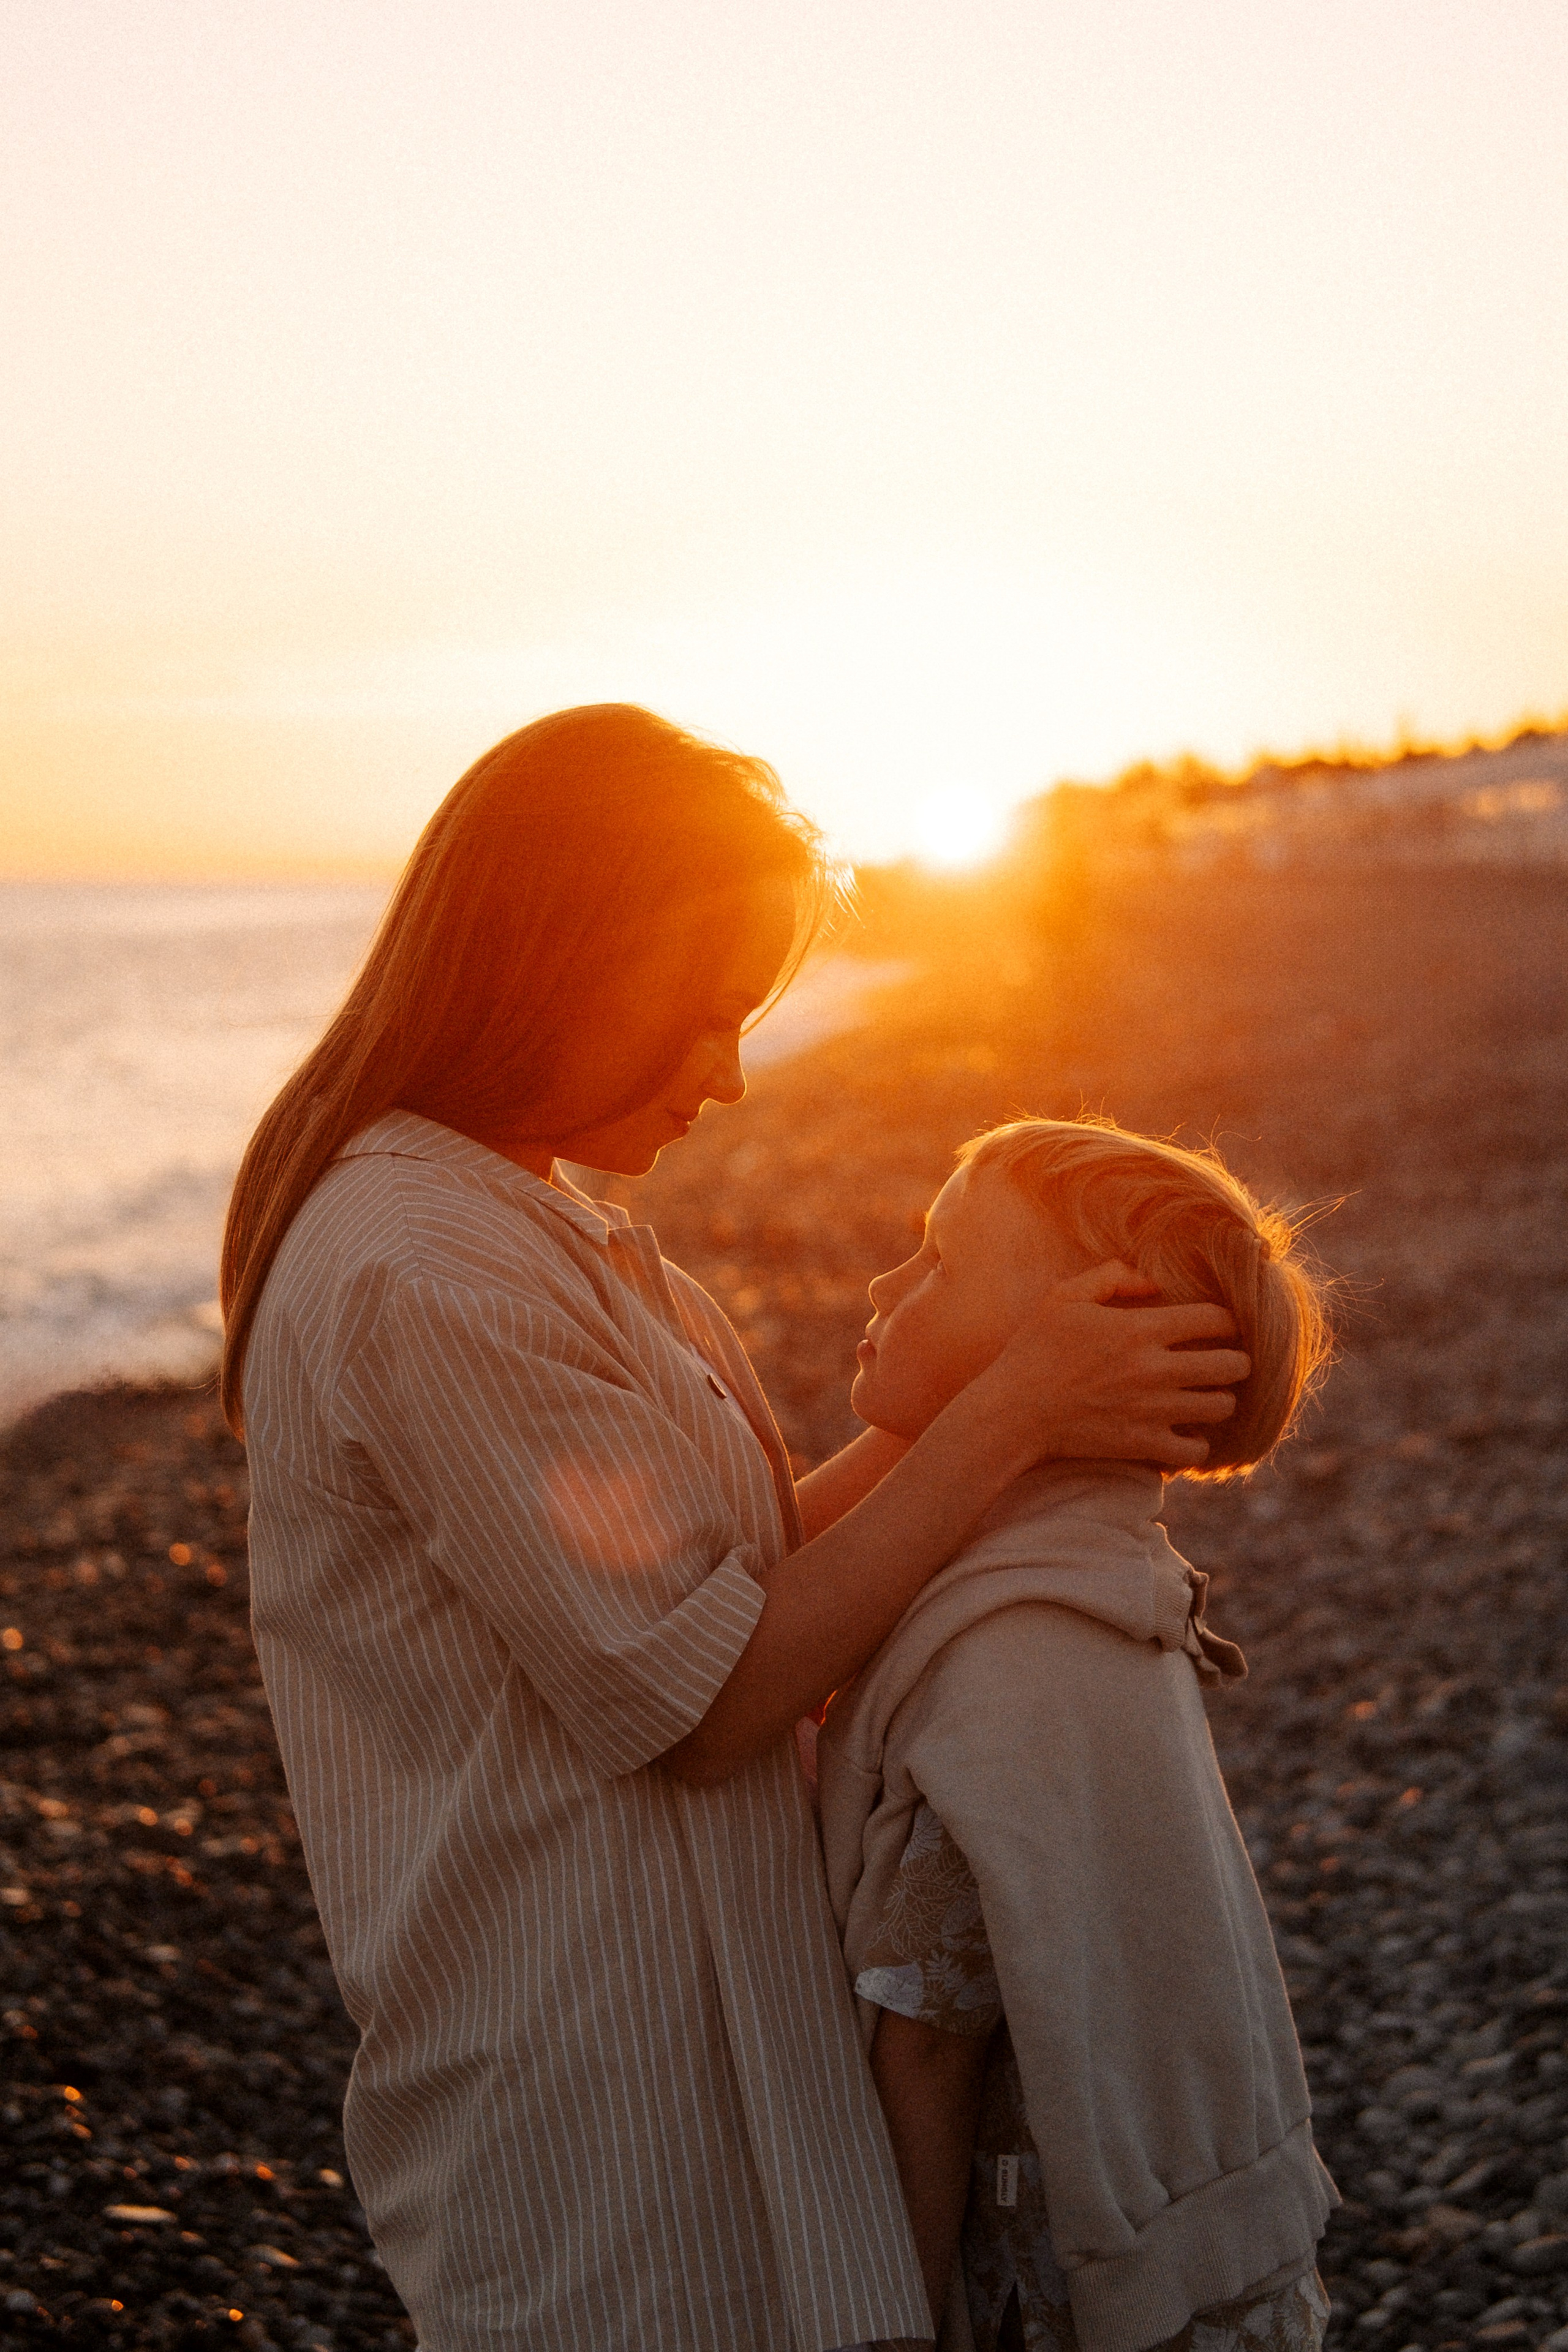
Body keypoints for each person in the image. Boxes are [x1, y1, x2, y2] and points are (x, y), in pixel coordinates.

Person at [220, 706, 1252, 2352]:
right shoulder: (425, 1268)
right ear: (564, 966)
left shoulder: (545, 1228)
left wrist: (998, 1383)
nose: (733, 1077)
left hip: (706, 2068)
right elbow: (704, 1705)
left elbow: (751, 1583)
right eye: (705, 1019)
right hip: (598, 2117)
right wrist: (1006, 1418)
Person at [817, 1117, 1338, 2352]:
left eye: (940, 1263)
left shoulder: (1008, 1663)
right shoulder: (1101, 1581)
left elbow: (923, 2054)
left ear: (1072, 1352)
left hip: (1049, 2301)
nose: (886, 1286)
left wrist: (886, 2325)